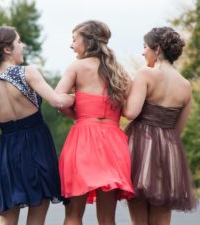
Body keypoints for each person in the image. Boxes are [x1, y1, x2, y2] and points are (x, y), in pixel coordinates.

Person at [0, 26, 74, 225]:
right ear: (7, 49)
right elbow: (57, 101)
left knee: (8, 219)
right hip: (37, 147)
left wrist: (1, 117)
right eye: (19, 42)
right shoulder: (27, 72)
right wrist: (78, 97)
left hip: (8, 153)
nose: (23, 45)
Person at [55, 20, 134, 225]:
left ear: (88, 41)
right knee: (108, 218)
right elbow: (129, 109)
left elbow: (58, 100)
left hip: (83, 141)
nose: (72, 45)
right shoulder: (121, 73)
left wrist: (80, 111)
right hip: (114, 143)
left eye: (74, 40)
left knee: (73, 215)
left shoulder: (77, 67)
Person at [124, 27, 198, 225]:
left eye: (145, 47)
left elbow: (131, 112)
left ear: (157, 50)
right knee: (162, 219)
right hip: (168, 151)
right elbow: (178, 129)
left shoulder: (145, 74)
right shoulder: (186, 85)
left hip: (140, 147)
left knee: (138, 219)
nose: (142, 52)